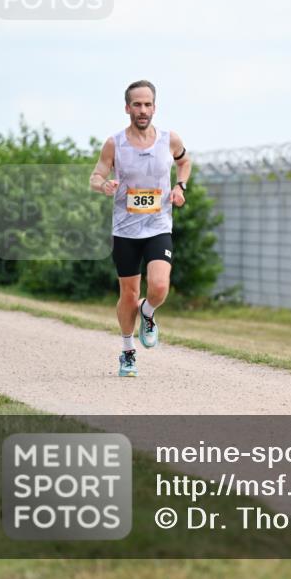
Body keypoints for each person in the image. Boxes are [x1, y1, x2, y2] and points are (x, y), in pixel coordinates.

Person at [89, 80, 190, 377]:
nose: (142, 110)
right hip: (125, 230)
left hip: (158, 225)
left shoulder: (169, 139)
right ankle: (127, 351)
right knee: (129, 294)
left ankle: (148, 312)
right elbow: (95, 176)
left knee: (158, 287)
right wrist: (104, 185)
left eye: (147, 104)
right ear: (127, 108)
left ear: (154, 108)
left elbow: (185, 162)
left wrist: (180, 187)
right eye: (137, 104)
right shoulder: (115, 143)